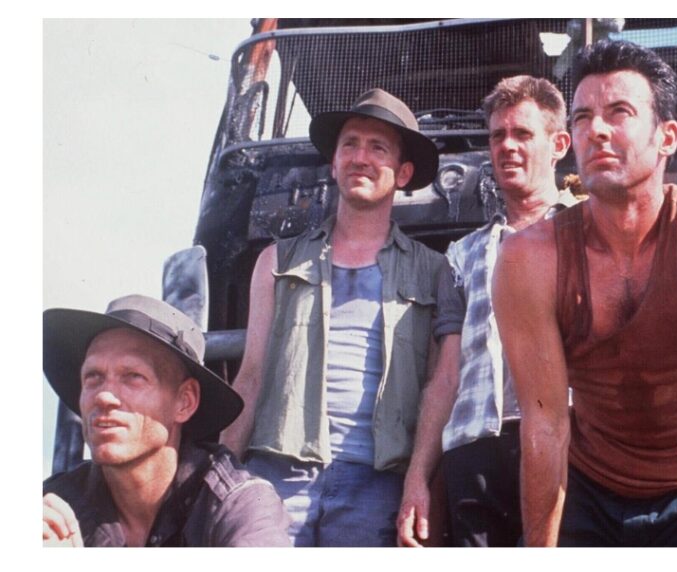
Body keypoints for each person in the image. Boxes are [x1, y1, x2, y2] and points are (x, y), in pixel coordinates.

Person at [492, 40, 677, 547]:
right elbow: (546, 422)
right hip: (589, 485)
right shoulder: (530, 257)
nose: (596, 129)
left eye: (619, 112)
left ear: (667, 137)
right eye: (582, 117)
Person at [221, 88, 447, 546]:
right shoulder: (276, 261)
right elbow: (251, 375)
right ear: (334, 162)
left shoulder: (435, 272)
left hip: (376, 487)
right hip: (276, 477)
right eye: (350, 144)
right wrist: (218, 473)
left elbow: (436, 388)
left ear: (403, 173)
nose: (360, 157)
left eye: (377, 148)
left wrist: (418, 480)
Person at [397, 75, 575, 547]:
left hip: (570, 447)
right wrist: (418, 478)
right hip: (474, 455)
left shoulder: (587, 233)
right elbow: (446, 377)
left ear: (558, 145)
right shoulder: (462, 255)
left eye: (523, 134)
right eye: (498, 136)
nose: (507, 146)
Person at [42, 294, 291, 547]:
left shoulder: (238, 504)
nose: (104, 396)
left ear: (185, 401)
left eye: (133, 376)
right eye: (93, 377)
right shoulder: (54, 506)